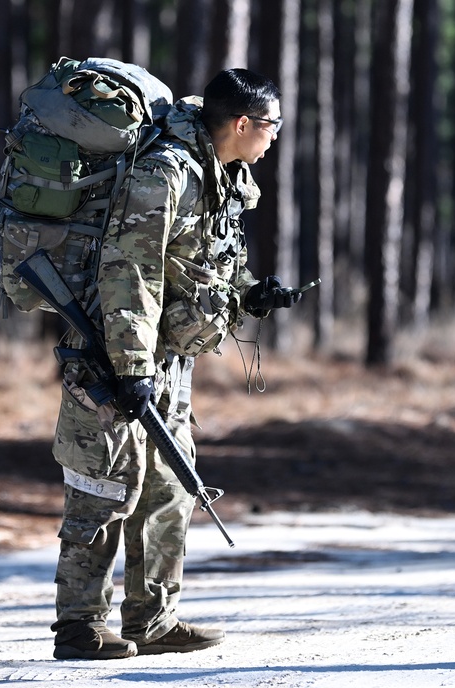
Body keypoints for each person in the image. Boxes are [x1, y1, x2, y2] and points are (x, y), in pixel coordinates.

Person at [50, 68, 302, 660]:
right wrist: (130, 366)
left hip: (169, 358)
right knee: (104, 482)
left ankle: (152, 619)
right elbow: (128, 272)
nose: (275, 137)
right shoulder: (164, 172)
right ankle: (80, 625)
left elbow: (195, 261)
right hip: (112, 354)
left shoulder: (218, 173)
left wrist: (247, 294)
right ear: (242, 125)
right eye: (272, 126)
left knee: (170, 484)